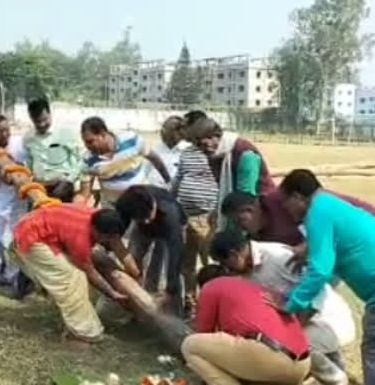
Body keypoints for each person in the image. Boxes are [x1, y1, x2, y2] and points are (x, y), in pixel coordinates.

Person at [278, 169, 375, 385]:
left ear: (297, 196)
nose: (288, 212)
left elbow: (321, 270)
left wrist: (292, 303)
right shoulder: (331, 205)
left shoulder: (317, 213)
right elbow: (334, 255)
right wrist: (311, 250)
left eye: (287, 204)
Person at [210, 230, 355, 385]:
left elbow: (315, 292)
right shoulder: (245, 272)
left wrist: (293, 330)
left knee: (288, 348)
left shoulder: (278, 257)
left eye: (226, 265)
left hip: (326, 318)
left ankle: (337, 380)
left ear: (234, 255)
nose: (227, 270)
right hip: (298, 322)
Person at [11, 204, 139, 343]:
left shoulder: (102, 218)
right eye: (106, 240)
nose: (107, 243)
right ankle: (83, 332)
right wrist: (113, 294)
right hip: (30, 236)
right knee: (73, 278)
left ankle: (79, 325)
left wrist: (136, 274)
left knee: (86, 266)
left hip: (40, 228)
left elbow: (118, 247)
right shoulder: (81, 238)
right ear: (98, 232)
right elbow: (90, 272)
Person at [181, 265, 311, 385]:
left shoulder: (211, 286)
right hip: (303, 364)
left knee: (190, 346)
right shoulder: (253, 285)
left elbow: (204, 332)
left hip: (270, 356)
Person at [221, 174, 375, 252]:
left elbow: (321, 206)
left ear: (249, 209)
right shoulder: (258, 238)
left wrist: (307, 246)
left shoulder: (281, 199)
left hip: (370, 225)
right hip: (335, 241)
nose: (240, 228)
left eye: (238, 221)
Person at [171, 111, 219, 313]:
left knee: (211, 264)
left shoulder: (216, 153)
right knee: (186, 264)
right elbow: (179, 179)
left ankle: (212, 305)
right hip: (185, 217)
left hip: (207, 217)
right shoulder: (187, 152)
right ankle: (190, 302)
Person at [189, 117, 275, 229]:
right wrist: (217, 210)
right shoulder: (214, 155)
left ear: (217, 136)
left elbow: (245, 196)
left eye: (207, 142)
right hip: (238, 209)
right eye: (200, 146)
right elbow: (221, 186)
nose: (205, 149)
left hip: (261, 210)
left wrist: (232, 227)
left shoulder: (245, 153)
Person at [114, 185, 185, 314]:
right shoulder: (128, 203)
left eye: (148, 216)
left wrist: (170, 289)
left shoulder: (170, 211)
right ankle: (135, 308)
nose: (146, 221)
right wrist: (133, 269)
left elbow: (176, 253)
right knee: (132, 259)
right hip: (142, 232)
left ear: (153, 204)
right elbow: (117, 233)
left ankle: (176, 314)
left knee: (172, 272)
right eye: (140, 218)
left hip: (169, 228)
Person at [79, 116, 170, 207]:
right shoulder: (88, 159)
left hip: (141, 204)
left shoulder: (131, 140)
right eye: (85, 142)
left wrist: (168, 181)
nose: (87, 146)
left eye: (90, 141)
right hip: (113, 207)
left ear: (103, 134)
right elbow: (85, 193)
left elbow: (154, 158)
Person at [0, 115, 29, 287]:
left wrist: (16, 166)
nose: (5, 134)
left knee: (13, 242)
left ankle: (13, 277)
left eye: (7, 130)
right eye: (0, 132)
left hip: (18, 202)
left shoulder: (19, 145)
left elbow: (28, 167)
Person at [23, 98, 84, 202]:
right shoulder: (28, 138)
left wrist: (69, 181)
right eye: (37, 121)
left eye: (45, 119)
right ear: (31, 118)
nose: (42, 124)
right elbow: (28, 164)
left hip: (62, 189)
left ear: (50, 113)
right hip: (39, 189)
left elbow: (82, 158)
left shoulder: (65, 132)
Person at [149, 115, 190, 187]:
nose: (163, 131)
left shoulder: (187, 152)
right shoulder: (153, 151)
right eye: (163, 127)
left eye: (168, 129)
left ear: (180, 132)